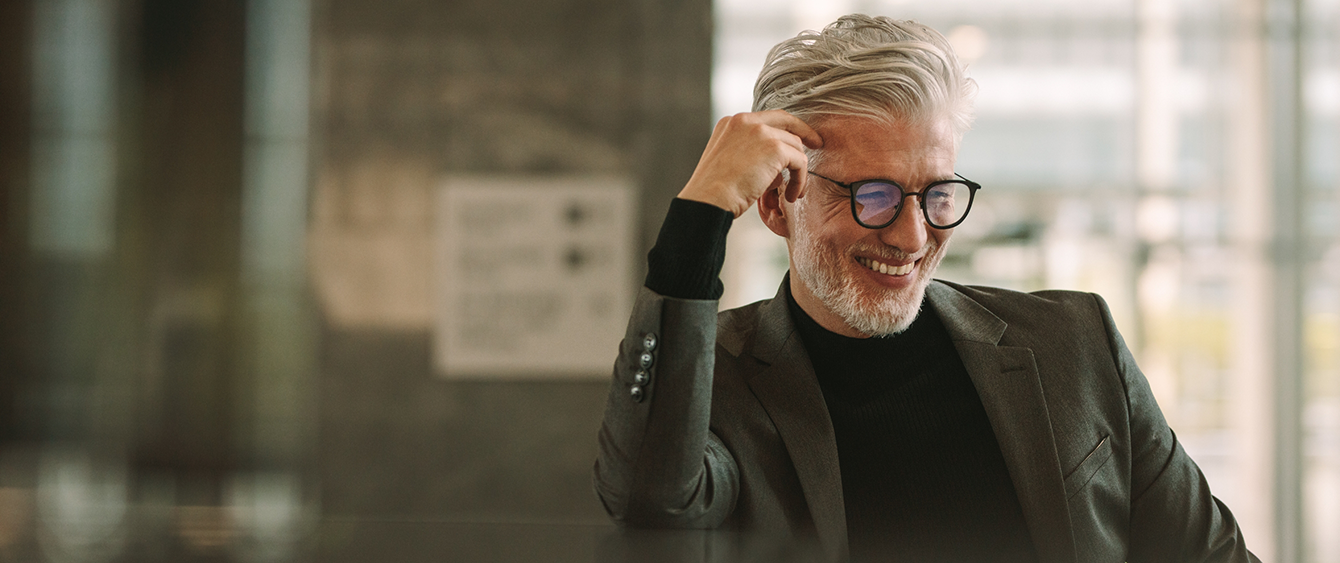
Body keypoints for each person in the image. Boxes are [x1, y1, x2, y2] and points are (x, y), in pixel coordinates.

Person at [593, 14, 1258, 563]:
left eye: (937, 194)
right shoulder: (717, 379)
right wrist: (698, 217)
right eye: (871, 195)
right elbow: (653, 500)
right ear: (776, 205)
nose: (912, 236)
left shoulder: (1074, 344)